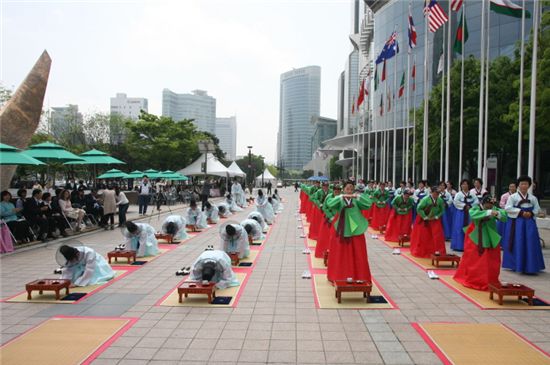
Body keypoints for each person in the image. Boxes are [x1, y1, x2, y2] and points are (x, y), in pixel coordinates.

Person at [454, 195, 507, 291]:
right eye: (488, 205)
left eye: (491, 205)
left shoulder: (494, 208)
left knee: (492, 259)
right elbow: (473, 215)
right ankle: (476, 279)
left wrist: (498, 214)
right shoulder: (476, 208)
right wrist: (489, 212)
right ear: (483, 203)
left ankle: (491, 279)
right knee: (475, 258)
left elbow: (504, 217)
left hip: (490, 235)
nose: (490, 206)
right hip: (477, 235)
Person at [324, 181, 373, 283]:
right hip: (342, 229)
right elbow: (329, 203)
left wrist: (358, 196)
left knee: (359, 254)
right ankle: (338, 275)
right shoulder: (340, 200)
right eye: (347, 189)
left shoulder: (356, 201)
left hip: (356, 230)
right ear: (343, 189)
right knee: (340, 254)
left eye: (351, 189)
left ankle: (360, 276)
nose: (349, 191)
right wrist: (341, 196)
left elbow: (368, 204)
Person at [501, 175, 545, 274]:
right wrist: (521, 212)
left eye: (526, 184)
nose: (524, 186)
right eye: (522, 184)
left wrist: (532, 213)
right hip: (517, 223)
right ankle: (516, 264)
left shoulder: (533, 198)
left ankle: (531, 265)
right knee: (518, 241)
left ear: (529, 185)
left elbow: (537, 209)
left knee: (531, 241)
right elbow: (507, 208)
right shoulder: (513, 197)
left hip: (529, 222)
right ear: (518, 186)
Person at [409, 186, 446, 258]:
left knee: (437, 235)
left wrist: (437, 216)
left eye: (438, 193)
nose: (436, 195)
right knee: (424, 235)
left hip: (435, 220)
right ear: (431, 192)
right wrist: (425, 217)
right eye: (435, 193)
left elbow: (442, 210)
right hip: (424, 220)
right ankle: (423, 251)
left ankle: (437, 250)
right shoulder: (425, 199)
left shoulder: (440, 200)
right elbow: (419, 208)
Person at [451, 179, 479, 251]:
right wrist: (464, 206)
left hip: (470, 212)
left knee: (470, 228)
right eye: (463, 184)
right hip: (461, 213)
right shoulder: (458, 194)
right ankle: (459, 245)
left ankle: (470, 245)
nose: (464, 185)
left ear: (468, 185)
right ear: (461, 185)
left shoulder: (472, 194)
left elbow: (476, 201)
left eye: (466, 184)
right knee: (459, 227)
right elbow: (456, 202)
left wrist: (471, 206)